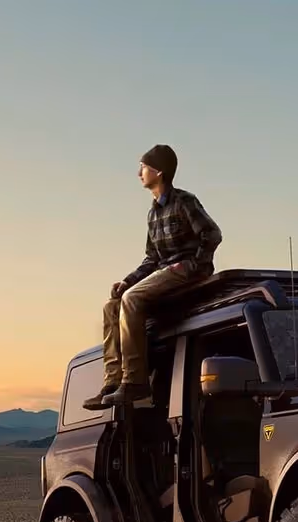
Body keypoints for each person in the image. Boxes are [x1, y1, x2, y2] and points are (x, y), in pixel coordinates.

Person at [90, 143, 221, 411]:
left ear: (159, 171)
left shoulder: (184, 201)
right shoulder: (153, 213)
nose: (139, 173)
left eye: (144, 167)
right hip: (164, 271)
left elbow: (212, 234)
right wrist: (127, 280)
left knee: (132, 300)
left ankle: (136, 381)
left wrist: (197, 264)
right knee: (112, 305)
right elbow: (151, 258)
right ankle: (113, 382)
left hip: (186, 269)